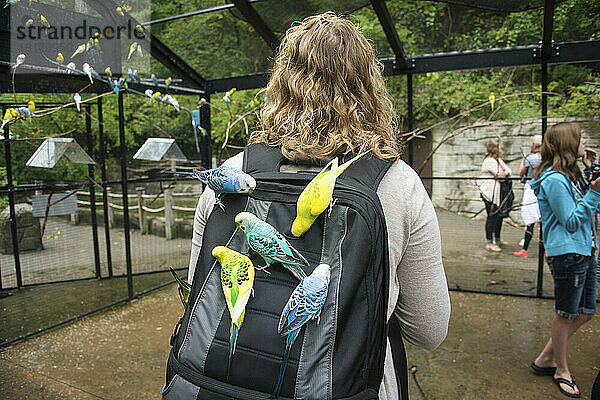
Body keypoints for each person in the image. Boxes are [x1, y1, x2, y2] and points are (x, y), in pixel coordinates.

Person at [187, 12, 450, 399]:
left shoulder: (232, 172)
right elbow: (429, 330)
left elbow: (200, 292)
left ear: (279, 84)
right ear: (370, 90)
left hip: (223, 385)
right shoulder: (398, 184)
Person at [530, 122, 599, 398]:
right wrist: (593, 192)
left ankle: (545, 358)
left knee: (585, 312)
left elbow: (591, 204)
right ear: (568, 144)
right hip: (567, 254)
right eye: (581, 140)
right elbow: (570, 221)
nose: (585, 143)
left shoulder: (570, 175)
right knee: (566, 313)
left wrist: (591, 170)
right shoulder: (554, 180)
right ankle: (561, 369)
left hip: (584, 249)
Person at [478, 139, 512, 252]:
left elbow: (508, 171)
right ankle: (489, 241)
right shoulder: (489, 161)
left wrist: (505, 173)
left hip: (498, 193)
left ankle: (497, 238)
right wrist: (503, 174)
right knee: (492, 215)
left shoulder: (498, 160)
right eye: (500, 148)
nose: (501, 150)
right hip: (489, 193)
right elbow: (499, 174)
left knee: (499, 216)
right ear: (495, 149)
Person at [514, 134, 543, 257]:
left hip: (531, 187)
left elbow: (523, 171)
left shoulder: (530, 158)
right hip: (542, 188)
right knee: (543, 219)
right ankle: (545, 249)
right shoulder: (546, 158)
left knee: (530, 219)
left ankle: (525, 250)